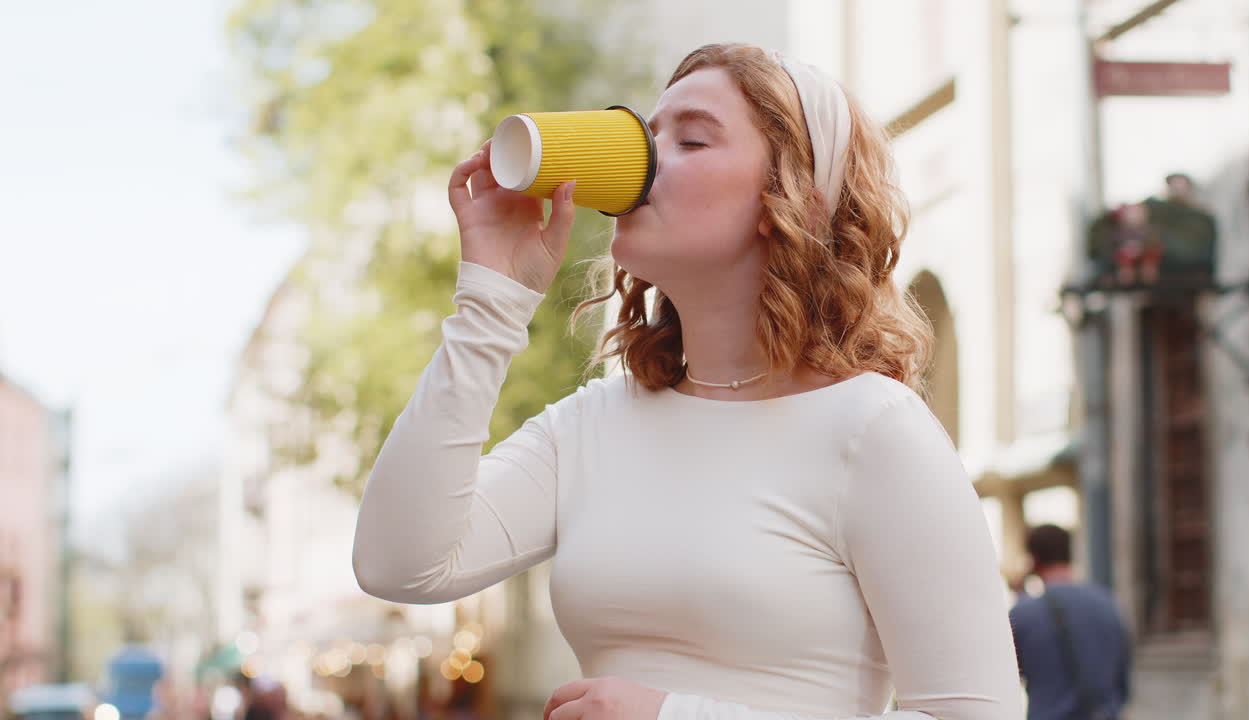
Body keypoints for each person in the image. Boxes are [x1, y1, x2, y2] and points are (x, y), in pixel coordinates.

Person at [352, 42, 1024, 720]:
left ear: (787, 199)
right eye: (645, 137)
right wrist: (491, 302)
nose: (644, 163)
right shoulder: (592, 424)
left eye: (692, 140)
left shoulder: (876, 431)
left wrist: (674, 715)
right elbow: (398, 563)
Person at [1010, 525, 1130, 720]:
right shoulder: (1109, 606)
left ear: (1034, 558)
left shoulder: (1023, 615)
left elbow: (1006, 683)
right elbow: (1122, 683)